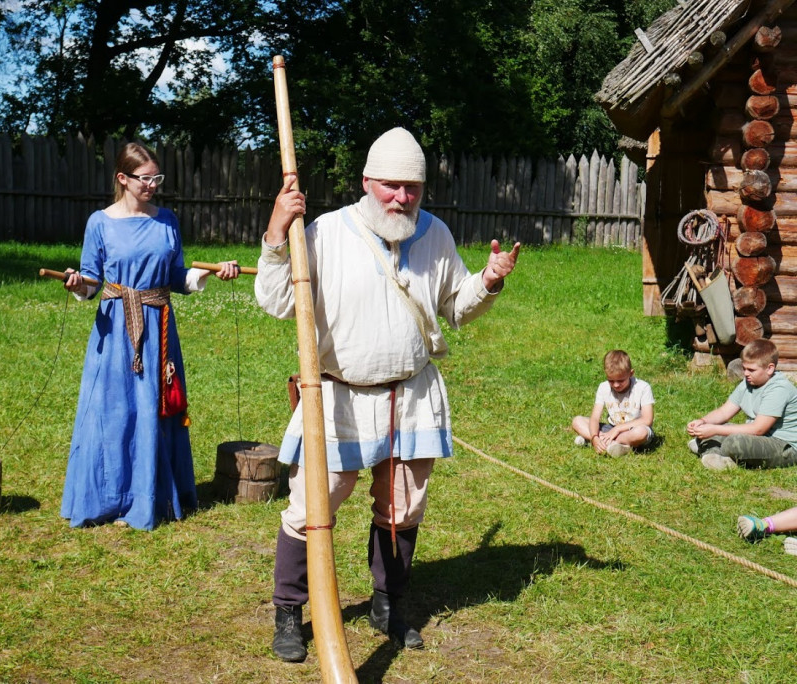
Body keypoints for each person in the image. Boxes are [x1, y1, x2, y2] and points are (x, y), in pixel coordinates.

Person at [254, 127, 520, 662]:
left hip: (411, 395)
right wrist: (278, 232)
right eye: (392, 186)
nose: (403, 198)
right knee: (313, 505)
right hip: (336, 395)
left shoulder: (436, 235)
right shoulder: (325, 232)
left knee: (403, 506)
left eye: (413, 188)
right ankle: (289, 611)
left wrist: (488, 281)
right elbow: (276, 300)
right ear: (366, 182)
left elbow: (456, 307)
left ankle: (388, 602)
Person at [60, 142, 240, 530]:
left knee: (154, 407)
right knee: (113, 409)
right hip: (115, 330)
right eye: (145, 179)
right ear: (123, 179)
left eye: (157, 178)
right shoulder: (100, 222)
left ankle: (151, 497)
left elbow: (177, 277)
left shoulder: (166, 220)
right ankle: (109, 497)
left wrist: (209, 273)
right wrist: (76, 284)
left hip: (159, 328)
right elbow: (91, 283)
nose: (153, 185)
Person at [687, 339, 797, 471]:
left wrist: (714, 430)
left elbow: (758, 429)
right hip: (757, 436)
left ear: (770, 368)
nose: (745, 374)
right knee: (714, 429)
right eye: (744, 368)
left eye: (751, 370)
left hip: (784, 445)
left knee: (733, 443)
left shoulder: (779, 388)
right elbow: (724, 412)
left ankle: (710, 449)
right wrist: (703, 422)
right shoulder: (748, 382)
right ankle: (715, 456)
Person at [570, 349, 655, 457]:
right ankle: (612, 444)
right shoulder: (603, 387)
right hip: (610, 428)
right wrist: (594, 437)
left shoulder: (643, 387)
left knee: (641, 433)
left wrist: (618, 429)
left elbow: (647, 420)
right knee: (577, 421)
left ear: (631, 373)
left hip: (633, 428)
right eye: (611, 380)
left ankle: (608, 442)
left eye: (621, 381)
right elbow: (595, 418)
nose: (615, 385)